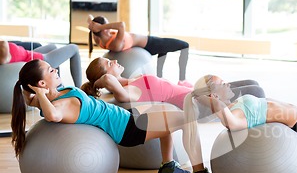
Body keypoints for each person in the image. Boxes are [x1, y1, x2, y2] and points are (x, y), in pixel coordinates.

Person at [11, 59, 219, 173]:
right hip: (128, 129)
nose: (55, 70)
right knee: (186, 118)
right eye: (50, 71)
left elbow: (29, 99)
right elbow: (53, 116)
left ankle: (168, 166)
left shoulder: (56, 93)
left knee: (172, 112)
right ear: (41, 84)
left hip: (127, 117)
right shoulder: (61, 105)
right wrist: (39, 94)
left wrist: (37, 94)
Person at [81, 56, 266, 111]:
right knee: (256, 90)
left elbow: (108, 78)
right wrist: (97, 83)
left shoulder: (133, 81)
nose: (113, 61)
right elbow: (106, 80)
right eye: (108, 63)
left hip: (198, 91)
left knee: (253, 83)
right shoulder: (128, 91)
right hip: (200, 103)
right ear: (105, 75)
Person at [87, 15, 189, 82]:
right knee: (185, 45)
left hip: (145, 47)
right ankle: (182, 80)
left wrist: (93, 24)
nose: (109, 26)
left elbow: (89, 18)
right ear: (103, 30)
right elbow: (121, 25)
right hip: (150, 44)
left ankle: (159, 77)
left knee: (164, 50)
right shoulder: (115, 44)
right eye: (107, 25)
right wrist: (101, 27)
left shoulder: (99, 40)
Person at [0, 40, 82, 87]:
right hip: (36, 63)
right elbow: (4, 57)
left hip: (29, 54)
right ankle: (80, 90)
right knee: (74, 48)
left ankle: (57, 87)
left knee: (52, 47)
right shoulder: (3, 55)